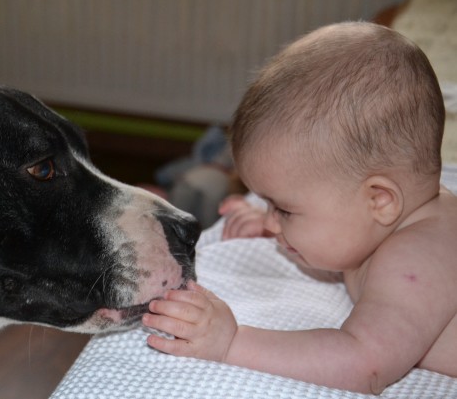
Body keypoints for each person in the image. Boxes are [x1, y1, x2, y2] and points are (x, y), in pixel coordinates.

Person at [142, 21, 457, 394]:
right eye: (271, 204)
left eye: (286, 210)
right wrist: (270, 221)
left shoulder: (416, 259)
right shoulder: (377, 221)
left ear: (380, 201)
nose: (275, 224)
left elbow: (363, 363)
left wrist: (231, 342)